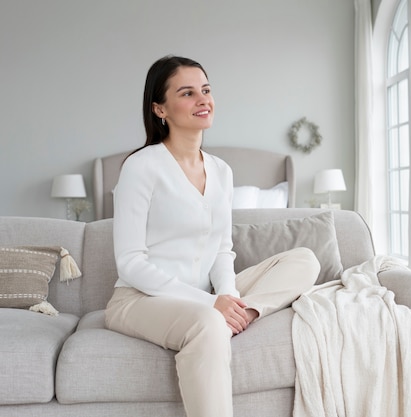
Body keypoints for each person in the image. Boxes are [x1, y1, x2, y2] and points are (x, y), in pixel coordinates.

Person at [104, 55, 320, 417]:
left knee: (304, 260)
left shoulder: (221, 171)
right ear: (160, 108)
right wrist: (210, 306)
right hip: (139, 300)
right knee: (207, 322)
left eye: (205, 90)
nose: (203, 100)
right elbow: (130, 263)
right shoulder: (141, 166)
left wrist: (228, 298)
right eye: (187, 93)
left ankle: (243, 315)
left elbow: (222, 251)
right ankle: (222, 318)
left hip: (206, 296)